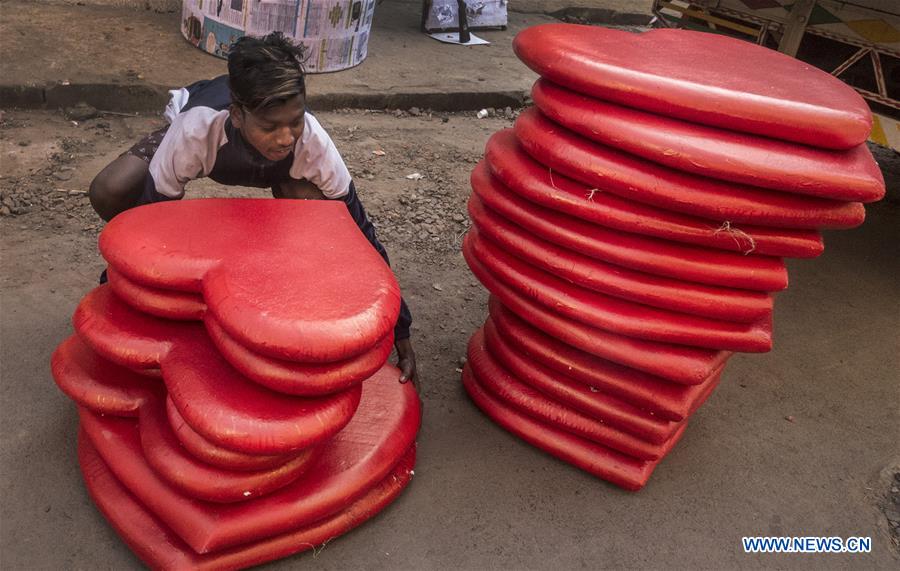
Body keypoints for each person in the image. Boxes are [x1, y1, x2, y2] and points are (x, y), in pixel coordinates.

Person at [88, 32, 418, 385]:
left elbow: (360, 231)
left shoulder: (312, 141)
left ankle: (287, 273)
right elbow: (150, 220)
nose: (286, 137)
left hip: (278, 175)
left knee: (322, 215)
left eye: (295, 120)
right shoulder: (196, 130)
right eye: (270, 126)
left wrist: (400, 329)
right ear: (238, 115)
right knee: (110, 189)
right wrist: (118, 295)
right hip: (205, 132)